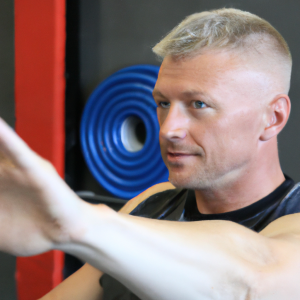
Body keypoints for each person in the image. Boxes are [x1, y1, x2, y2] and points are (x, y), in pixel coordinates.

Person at [0, 7, 300, 300]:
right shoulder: (151, 203)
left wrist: (77, 223)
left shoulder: (293, 223)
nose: (169, 129)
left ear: (272, 118)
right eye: (163, 103)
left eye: (198, 104)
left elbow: (252, 282)